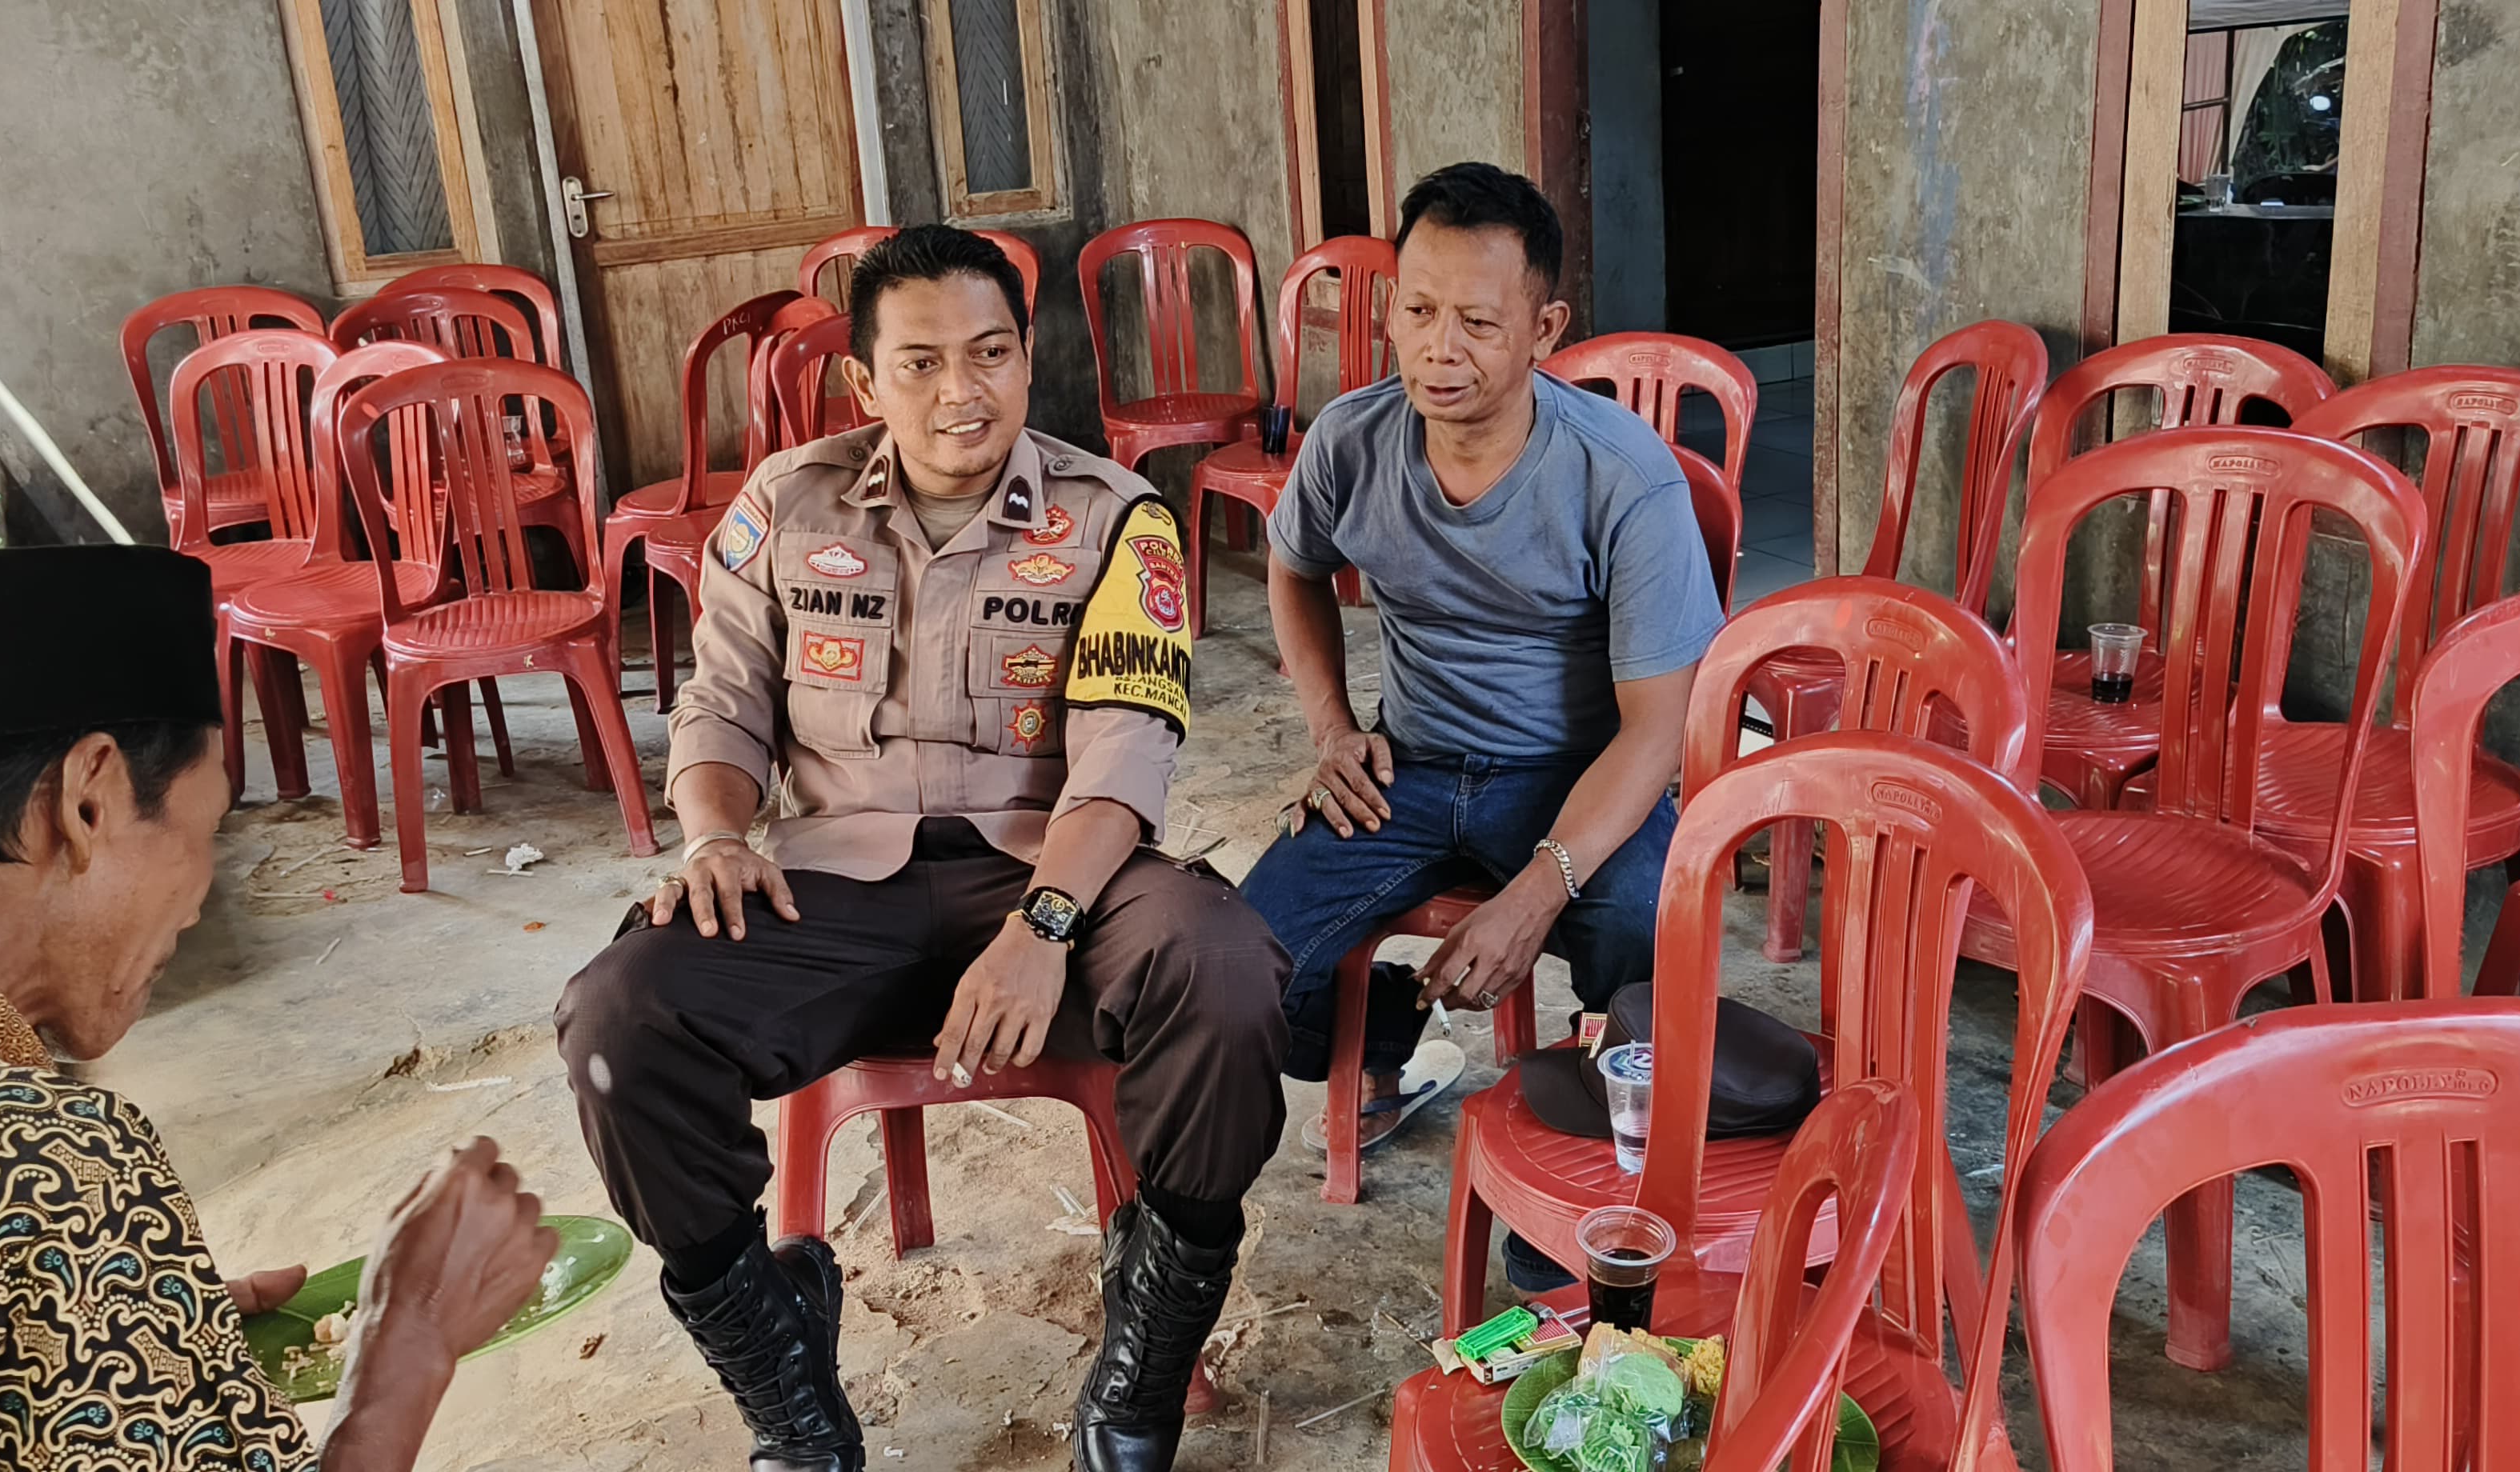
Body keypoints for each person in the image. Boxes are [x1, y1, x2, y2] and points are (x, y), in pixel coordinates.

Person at [555, 225, 1288, 1472]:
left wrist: (1043, 927)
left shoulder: (1117, 519)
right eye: (923, 362)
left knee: (1224, 970)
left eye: (993, 354)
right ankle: (787, 1385)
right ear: (866, 381)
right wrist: (718, 834)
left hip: (1053, 872)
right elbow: (721, 703)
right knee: (618, 1021)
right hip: (833, 888)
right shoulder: (786, 504)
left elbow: (1123, 754)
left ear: (1029, 358)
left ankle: (1146, 1360)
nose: (965, 390)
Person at [0, 547, 555, 1470]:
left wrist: (119, 1333)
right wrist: (409, 1345)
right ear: (89, 801)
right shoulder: (33, 1163)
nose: (196, 902)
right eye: (204, 828)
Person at [1239, 164, 1722, 1279]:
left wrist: (1539, 889)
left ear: (1546, 329)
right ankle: (1390, 1041)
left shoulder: (1623, 478)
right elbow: (1292, 567)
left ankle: (1585, 1203)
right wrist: (1332, 728)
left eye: (1477, 322)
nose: (1438, 350)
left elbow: (1657, 732)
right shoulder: (1352, 440)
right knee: (1246, 961)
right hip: (1408, 766)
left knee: (1647, 930)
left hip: (1575, 773)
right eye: (1416, 311)